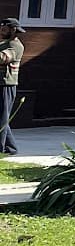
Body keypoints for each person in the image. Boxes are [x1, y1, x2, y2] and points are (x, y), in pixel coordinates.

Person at [0, 18, 24, 155]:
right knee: (2, 118)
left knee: (2, 119)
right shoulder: (4, 43)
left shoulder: (16, 45)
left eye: (4, 29)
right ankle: (12, 148)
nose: (1, 31)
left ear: (13, 30)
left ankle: (1, 149)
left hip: (6, 85)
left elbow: (4, 58)